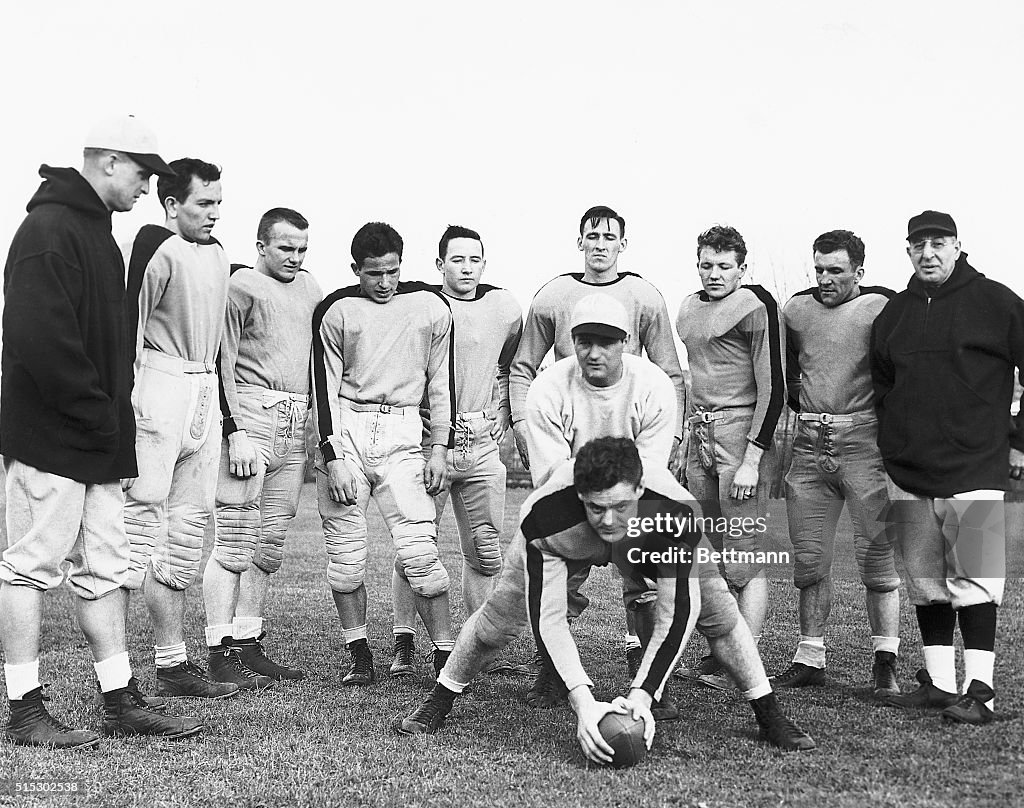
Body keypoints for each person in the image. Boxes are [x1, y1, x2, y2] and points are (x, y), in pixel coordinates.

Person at [392, 437, 815, 758]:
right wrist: (583, 702)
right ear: (579, 496)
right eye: (597, 507)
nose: (609, 520)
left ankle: (768, 713)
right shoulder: (545, 516)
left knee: (720, 616)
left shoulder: (675, 511)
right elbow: (549, 620)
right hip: (568, 541)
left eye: (619, 506)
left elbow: (676, 613)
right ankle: (439, 700)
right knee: (494, 622)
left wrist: (641, 695)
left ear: (639, 488)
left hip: (650, 541)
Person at [1, 115, 201, 747]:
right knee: (29, 568)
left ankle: (120, 698)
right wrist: (95, 414)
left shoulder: (97, 233)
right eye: (142, 174)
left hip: (96, 439)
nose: (147, 188)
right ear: (109, 161)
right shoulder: (48, 229)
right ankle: (24, 707)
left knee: (107, 570)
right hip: (51, 435)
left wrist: (113, 426)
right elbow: (40, 342)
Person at [508, 205, 688, 675]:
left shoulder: (644, 295)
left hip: (635, 453)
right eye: (593, 235)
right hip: (570, 457)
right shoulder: (554, 296)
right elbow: (524, 367)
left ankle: (650, 672)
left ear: (622, 244)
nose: (601, 243)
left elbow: (669, 369)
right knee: (556, 567)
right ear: (580, 241)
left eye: (610, 236)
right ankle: (552, 669)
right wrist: (523, 427)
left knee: (649, 571)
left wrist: (676, 436)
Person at [872, 210, 1024, 725]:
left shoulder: (997, 302)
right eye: (918, 244)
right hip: (909, 467)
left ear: (958, 245)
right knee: (924, 577)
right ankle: (938, 684)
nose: (928, 253)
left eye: (939, 243)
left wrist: (1019, 443)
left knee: (975, 576)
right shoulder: (895, 314)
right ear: (908, 250)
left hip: (977, 463)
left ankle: (981, 691)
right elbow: (884, 387)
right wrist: (893, 445)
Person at [121, 158, 255, 697]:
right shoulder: (155, 244)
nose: (214, 214)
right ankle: (116, 675)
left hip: (201, 391)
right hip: (158, 385)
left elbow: (223, 347)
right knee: (134, 535)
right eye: (204, 203)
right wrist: (124, 406)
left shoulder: (220, 254)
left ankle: (172, 663)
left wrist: (228, 417)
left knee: (184, 536)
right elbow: (128, 327)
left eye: (219, 203)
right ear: (173, 204)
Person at [311, 222, 456, 685]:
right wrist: (332, 453)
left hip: (404, 428)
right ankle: (358, 652)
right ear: (356, 270)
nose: (385, 282)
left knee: (420, 554)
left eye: (392, 271)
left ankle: (444, 654)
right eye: (374, 273)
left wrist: (440, 448)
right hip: (349, 427)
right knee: (346, 556)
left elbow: (440, 381)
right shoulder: (337, 310)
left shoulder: (430, 308)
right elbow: (324, 387)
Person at [522, 293, 679, 716]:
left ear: (626, 341)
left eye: (606, 342)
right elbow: (553, 477)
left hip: (634, 500)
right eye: (584, 341)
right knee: (552, 584)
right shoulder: (549, 387)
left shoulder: (653, 386)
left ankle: (651, 679)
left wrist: (618, 517)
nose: (594, 353)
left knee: (649, 584)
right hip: (571, 500)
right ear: (571, 340)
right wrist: (589, 518)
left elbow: (649, 474)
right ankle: (552, 672)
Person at [388, 225, 522, 677]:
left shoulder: (503, 307)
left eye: (474, 259)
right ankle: (403, 640)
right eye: (457, 259)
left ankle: (476, 644)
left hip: (481, 441)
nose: (466, 268)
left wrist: (503, 407)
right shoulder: (422, 304)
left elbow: (510, 365)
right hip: (429, 442)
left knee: (485, 550)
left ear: (484, 263)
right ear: (440, 263)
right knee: (415, 546)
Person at [775, 230, 901, 693]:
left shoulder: (880, 307)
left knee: (876, 553)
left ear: (859, 273)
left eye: (836, 271)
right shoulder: (797, 309)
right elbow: (783, 370)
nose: (825, 280)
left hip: (864, 440)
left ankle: (885, 657)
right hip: (809, 442)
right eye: (819, 270)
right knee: (809, 558)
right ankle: (810, 657)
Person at [201, 208, 323, 684]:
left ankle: (248, 640)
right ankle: (218, 648)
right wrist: (234, 430)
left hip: (294, 420)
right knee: (233, 538)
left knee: (269, 540)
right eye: (285, 248)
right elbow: (221, 361)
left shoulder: (311, 287)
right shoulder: (240, 287)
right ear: (261, 247)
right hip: (250, 416)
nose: (294, 258)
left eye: (302, 250)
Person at [674, 225, 785, 690]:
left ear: (742, 268)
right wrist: (682, 441)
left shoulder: (753, 307)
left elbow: (773, 386)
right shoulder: (688, 307)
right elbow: (693, 378)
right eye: (706, 265)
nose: (714, 274)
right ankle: (722, 652)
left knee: (743, 556)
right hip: (700, 433)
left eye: (723, 266)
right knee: (710, 552)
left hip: (740, 433)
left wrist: (753, 459)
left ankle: (746, 662)